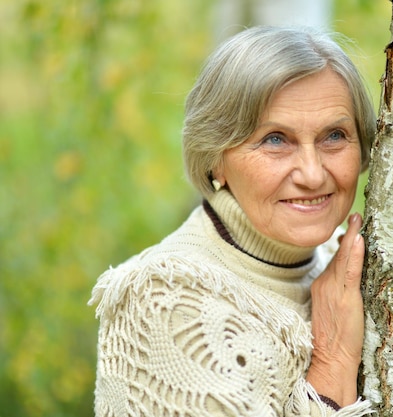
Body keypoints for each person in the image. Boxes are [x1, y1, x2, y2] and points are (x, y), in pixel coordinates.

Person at [89, 26, 376, 416]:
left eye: (334, 135)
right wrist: (334, 361)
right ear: (215, 159)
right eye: (276, 139)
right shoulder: (166, 297)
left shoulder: (344, 259)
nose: (312, 174)